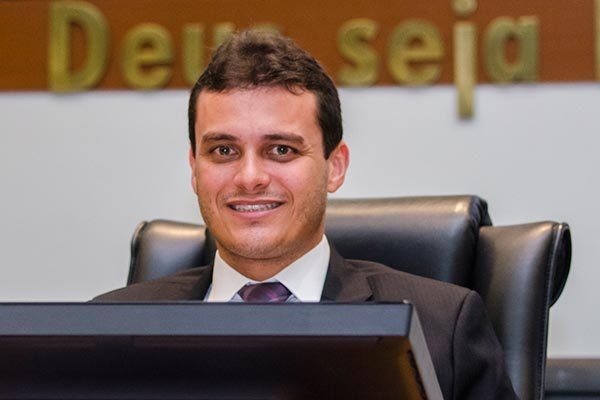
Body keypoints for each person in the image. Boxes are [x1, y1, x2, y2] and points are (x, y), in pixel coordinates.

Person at [94, 30, 518, 399]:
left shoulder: (442, 327)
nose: (250, 177)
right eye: (223, 151)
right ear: (194, 168)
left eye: (281, 150)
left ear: (335, 167)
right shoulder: (111, 328)